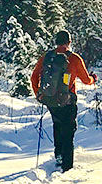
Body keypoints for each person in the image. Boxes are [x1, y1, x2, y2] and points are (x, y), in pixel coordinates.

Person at [31, 29, 96, 171]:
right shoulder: (74, 59)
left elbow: (34, 76)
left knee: (57, 125)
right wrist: (93, 79)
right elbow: (86, 80)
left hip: (50, 100)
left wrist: (39, 94)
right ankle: (67, 165)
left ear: (55, 42)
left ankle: (59, 155)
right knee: (68, 130)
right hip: (68, 100)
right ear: (69, 42)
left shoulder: (47, 57)